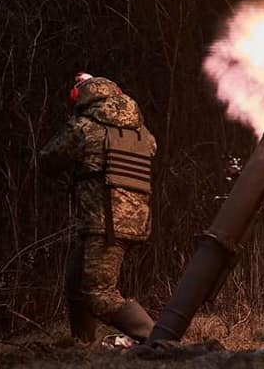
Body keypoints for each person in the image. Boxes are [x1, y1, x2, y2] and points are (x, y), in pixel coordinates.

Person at [40, 72, 156, 343]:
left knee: (99, 294)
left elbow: (48, 159)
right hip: (134, 218)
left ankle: (159, 340)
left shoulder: (84, 127)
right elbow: (151, 149)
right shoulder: (142, 131)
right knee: (75, 282)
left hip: (104, 220)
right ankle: (83, 347)